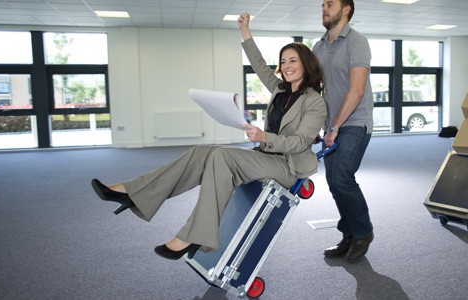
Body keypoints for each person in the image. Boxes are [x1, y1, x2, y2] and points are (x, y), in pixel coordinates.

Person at [90, 12, 327, 260]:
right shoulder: (279, 89)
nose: (287, 66)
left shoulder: (315, 102)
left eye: (293, 61)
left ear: (305, 64)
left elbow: (300, 142)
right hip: (264, 157)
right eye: (284, 61)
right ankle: (133, 192)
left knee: (222, 156)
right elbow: (258, 65)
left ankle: (192, 235)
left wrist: (265, 136)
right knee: (202, 152)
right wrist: (245, 32)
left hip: (287, 167)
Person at [312, 0, 374, 263]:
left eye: (330, 3)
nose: (324, 8)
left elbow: (357, 90)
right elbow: (314, 89)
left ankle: (363, 233)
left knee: (342, 176)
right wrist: (315, 126)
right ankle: (348, 234)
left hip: (355, 122)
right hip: (331, 127)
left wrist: (336, 126)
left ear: (346, 9)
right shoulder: (318, 46)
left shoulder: (357, 42)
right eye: (322, 4)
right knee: (334, 183)